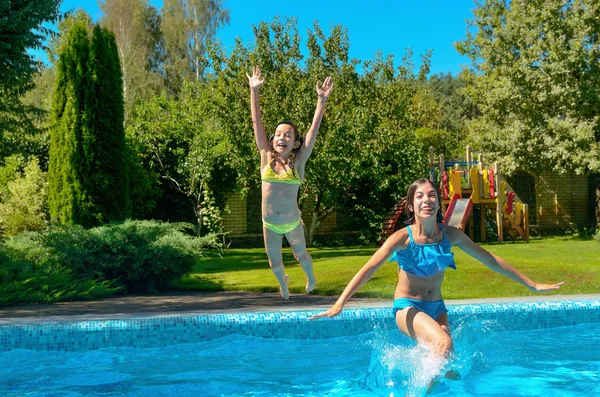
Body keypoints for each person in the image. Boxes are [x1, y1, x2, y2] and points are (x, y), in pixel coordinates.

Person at [311, 178, 563, 380]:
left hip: (437, 308)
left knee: (450, 367)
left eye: (431, 195)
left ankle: (428, 381)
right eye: (419, 196)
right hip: (407, 308)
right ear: (411, 206)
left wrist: (532, 284)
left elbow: (489, 259)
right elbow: (368, 269)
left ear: (438, 203)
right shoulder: (402, 238)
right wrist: (340, 303)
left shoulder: (451, 235)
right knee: (443, 342)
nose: (426, 200)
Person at [247, 66, 334, 299]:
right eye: (278, 134)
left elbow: (313, 131)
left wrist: (321, 102)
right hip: (270, 224)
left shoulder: (298, 163)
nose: (282, 138)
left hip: (292, 223)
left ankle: (311, 277)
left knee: (302, 255)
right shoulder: (265, 156)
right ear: (273, 139)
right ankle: (283, 283)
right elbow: (256, 123)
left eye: (288, 135)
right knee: (274, 262)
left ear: (295, 142)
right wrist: (253, 91)